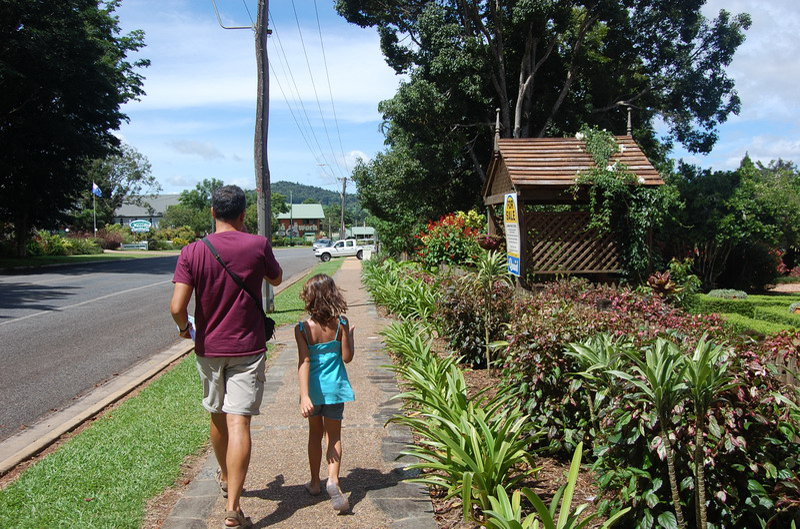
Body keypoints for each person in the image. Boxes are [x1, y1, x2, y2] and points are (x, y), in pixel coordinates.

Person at [170, 185, 282, 529]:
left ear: (212, 212)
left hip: (208, 348)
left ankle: (223, 474)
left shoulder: (192, 251)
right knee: (240, 422)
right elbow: (276, 278)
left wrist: (183, 330)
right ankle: (233, 507)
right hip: (247, 347)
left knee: (218, 416)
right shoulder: (257, 245)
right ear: (244, 214)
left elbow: (177, 308)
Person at [295, 274, 355, 512]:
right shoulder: (341, 324)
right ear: (333, 295)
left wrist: (304, 396)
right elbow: (347, 358)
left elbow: (304, 361)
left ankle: (314, 482)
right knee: (335, 437)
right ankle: (333, 480)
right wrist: (349, 337)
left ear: (309, 299)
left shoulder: (302, 329)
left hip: (314, 392)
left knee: (314, 436)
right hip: (336, 390)